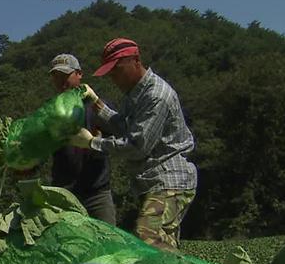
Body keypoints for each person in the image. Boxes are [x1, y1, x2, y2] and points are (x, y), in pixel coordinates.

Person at [70, 38, 197, 251]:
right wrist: (97, 104)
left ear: (136, 61)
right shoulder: (135, 93)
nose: (113, 78)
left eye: (117, 70)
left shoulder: (156, 96)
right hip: (154, 183)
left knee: (148, 235)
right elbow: (125, 126)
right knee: (165, 249)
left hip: (169, 181)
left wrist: (92, 142)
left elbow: (137, 146)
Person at [48, 53, 116, 225]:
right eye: (56, 77)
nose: (61, 81)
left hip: (97, 193)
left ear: (79, 74)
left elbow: (119, 132)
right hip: (64, 195)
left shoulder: (97, 106)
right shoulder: (51, 112)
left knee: (108, 245)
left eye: (65, 76)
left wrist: (95, 142)